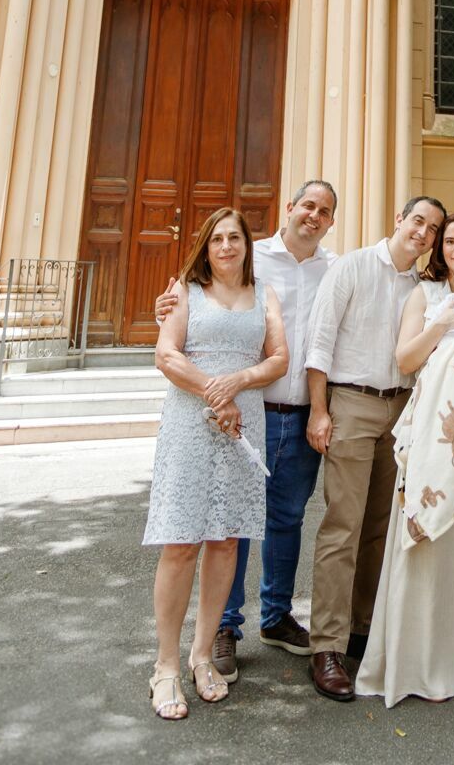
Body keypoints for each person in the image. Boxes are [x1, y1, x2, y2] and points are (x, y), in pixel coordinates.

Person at [154, 180, 339, 680]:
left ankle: (277, 617)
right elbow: (181, 328)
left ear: (331, 220)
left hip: (295, 409)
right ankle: (224, 628)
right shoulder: (252, 256)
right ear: (289, 208)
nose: (314, 216)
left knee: (284, 518)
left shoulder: (336, 268)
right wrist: (167, 310)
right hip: (232, 410)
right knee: (223, 527)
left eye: (324, 211)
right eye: (307, 206)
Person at [355, 210, 454, 706]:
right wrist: (444, 322)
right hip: (433, 425)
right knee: (422, 528)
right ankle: (416, 657)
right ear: (438, 247)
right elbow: (405, 359)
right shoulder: (422, 296)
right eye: (450, 241)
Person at [144, 207, 289, 720]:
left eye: (235, 238)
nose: (226, 246)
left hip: (241, 423)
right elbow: (167, 355)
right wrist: (214, 389)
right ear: (206, 247)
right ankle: (165, 666)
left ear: (248, 245)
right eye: (217, 239)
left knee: (226, 540)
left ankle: (202, 654)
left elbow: (279, 358)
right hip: (192, 421)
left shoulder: (264, 295)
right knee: (182, 541)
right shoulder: (186, 291)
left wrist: (240, 383)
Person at [302, 194, 447, 701]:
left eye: (433, 228)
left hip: (402, 410)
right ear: (399, 219)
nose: (424, 233)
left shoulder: (425, 287)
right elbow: (319, 342)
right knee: (343, 524)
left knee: (379, 528)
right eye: (418, 221)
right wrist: (320, 411)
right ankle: (326, 646)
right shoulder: (353, 267)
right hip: (352, 404)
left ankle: (361, 629)